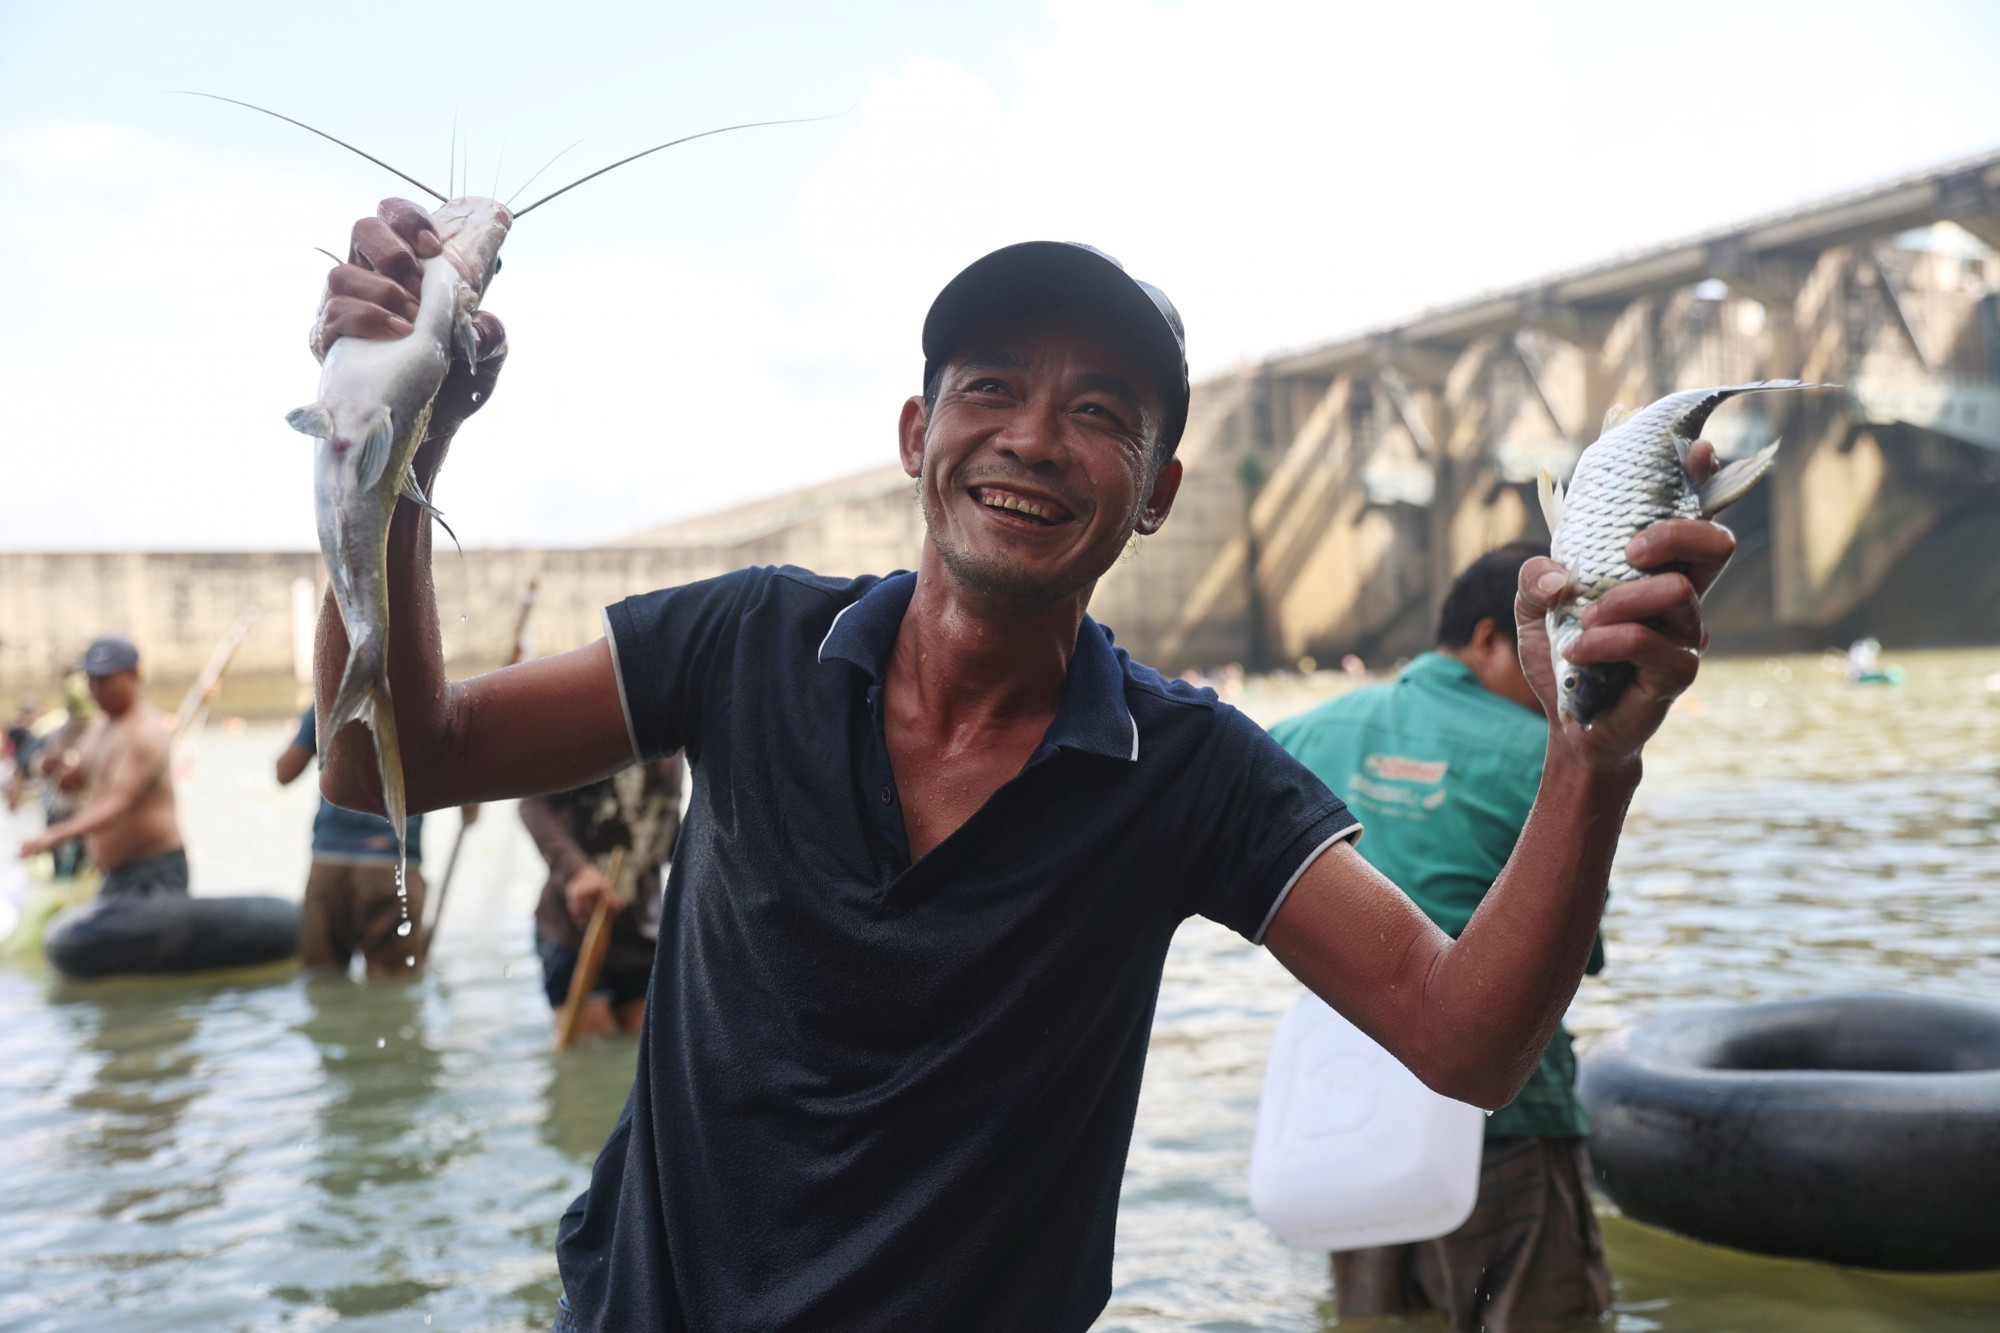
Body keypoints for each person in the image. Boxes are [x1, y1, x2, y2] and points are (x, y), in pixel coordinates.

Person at [307, 200, 1730, 1332]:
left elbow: (1465, 1040)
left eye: (1105, 412)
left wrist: (1587, 758)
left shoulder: (1192, 775)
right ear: (921, 434)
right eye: (994, 387)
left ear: (1160, 494)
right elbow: (393, 762)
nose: (1038, 440)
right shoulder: (744, 642)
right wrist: (392, 439)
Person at [1270, 542, 1608, 1332]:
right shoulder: (1549, 757)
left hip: (1349, 1120)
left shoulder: (1300, 732)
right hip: (1507, 1122)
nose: (1564, 674)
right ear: (1493, 637)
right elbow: (1573, 956)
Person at [522, 756, 684, 1038]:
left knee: (644, 1052)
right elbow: (532, 802)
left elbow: (666, 827)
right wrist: (577, 870)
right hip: (577, 928)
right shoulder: (602, 726)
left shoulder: (680, 749)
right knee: (588, 1055)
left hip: (640, 930)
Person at [17, 638, 186, 896]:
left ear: (133, 676)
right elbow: (73, 783)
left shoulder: (146, 731)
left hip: (153, 870)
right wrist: (49, 765)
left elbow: (117, 803)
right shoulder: (99, 727)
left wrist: (55, 834)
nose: (96, 689)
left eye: (105, 680)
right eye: (92, 680)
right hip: (114, 872)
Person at [275, 706, 432, 978]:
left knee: (321, 981)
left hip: (330, 863)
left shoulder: (330, 700)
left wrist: (314, 728)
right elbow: (465, 781)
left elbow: (284, 772)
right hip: (392, 866)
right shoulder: (421, 698)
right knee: (392, 987)